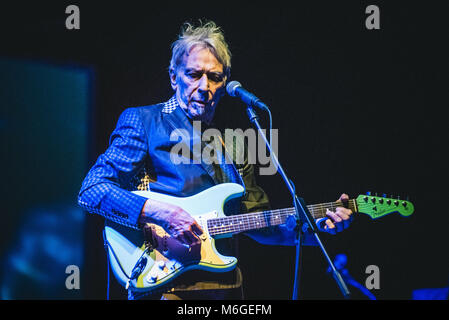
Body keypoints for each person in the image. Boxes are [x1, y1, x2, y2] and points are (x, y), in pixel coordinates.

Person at [78, 20, 353, 300]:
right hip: (162, 284)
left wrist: (313, 229)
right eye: (193, 74)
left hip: (226, 289)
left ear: (225, 82)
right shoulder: (144, 121)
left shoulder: (233, 144)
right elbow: (92, 190)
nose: (204, 86)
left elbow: (261, 225)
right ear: (174, 76)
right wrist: (162, 212)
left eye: (214, 77)